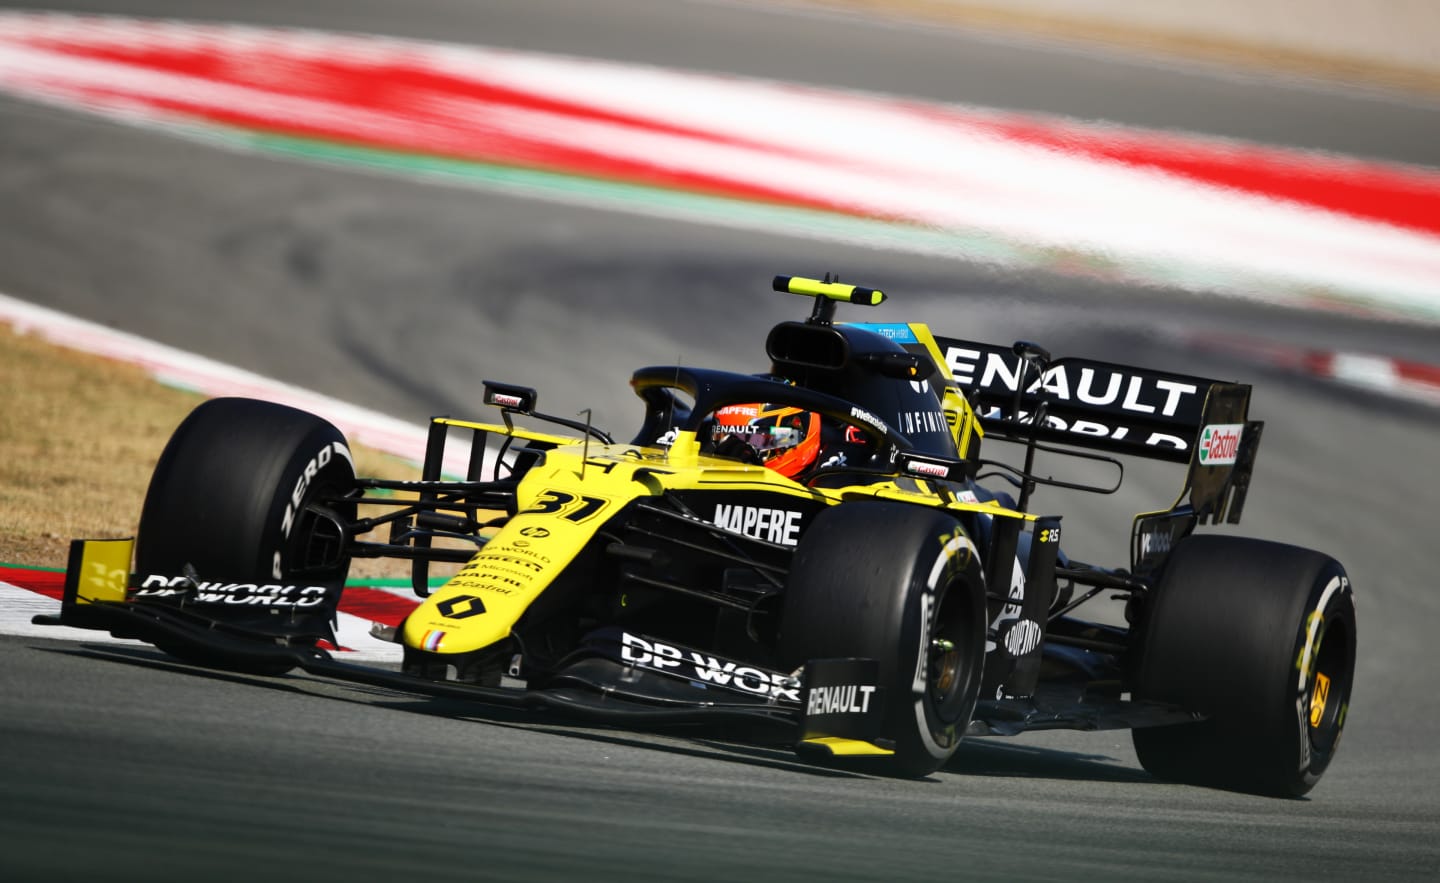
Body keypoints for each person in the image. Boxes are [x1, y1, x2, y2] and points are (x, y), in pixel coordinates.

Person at [708, 402, 873, 480]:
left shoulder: (838, 479)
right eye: (723, 437)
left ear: (796, 435)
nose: (734, 449)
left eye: (758, 439)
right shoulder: (705, 441)